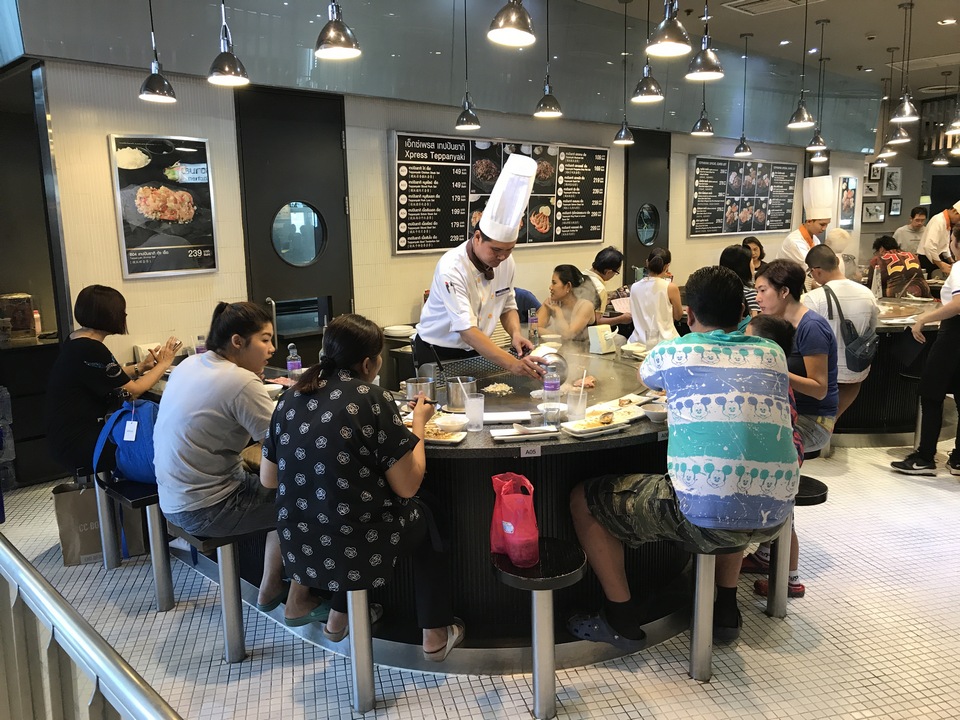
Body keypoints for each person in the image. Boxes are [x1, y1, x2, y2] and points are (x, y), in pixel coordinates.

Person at [568, 266, 799, 647]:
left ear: (689, 315)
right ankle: (725, 608)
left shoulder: (675, 351)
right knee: (736, 479)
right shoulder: (772, 352)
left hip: (705, 519)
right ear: (744, 311)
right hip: (776, 517)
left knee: (584, 500)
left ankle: (620, 618)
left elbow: (644, 378)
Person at [260, 314, 464, 660]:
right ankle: (435, 633)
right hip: (358, 542)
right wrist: (418, 422)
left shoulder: (290, 397)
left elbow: (269, 478)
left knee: (344, 509)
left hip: (299, 539)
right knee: (429, 515)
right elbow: (408, 486)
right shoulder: (372, 397)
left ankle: (339, 616)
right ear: (369, 363)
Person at [154, 302, 320, 624]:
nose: (272, 348)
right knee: (311, 500)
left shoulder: (191, 363)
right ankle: (298, 601)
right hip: (207, 507)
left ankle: (270, 587)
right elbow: (287, 447)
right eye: (265, 339)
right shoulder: (240, 381)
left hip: (173, 499)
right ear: (237, 341)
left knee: (279, 494)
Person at [415, 154, 545, 379]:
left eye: (509, 249)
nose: (502, 256)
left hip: (479, 348)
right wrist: (514, 364)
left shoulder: (506, 262)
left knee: (480, 397)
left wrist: (515, 334)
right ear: (477, 238)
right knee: (444, 401)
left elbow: (507, 305)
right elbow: (467, 331)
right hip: (438, 353)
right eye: (496, 250)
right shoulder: (452, 267)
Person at [45, 284, 179, 473]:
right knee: (161, 446)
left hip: (64, 438)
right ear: (108, 315)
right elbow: (133, 391)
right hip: (81, 442)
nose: (124, 316)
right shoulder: (91, 348)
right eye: (121, 311)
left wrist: (142, 367)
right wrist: (164, 364)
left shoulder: (76, 339)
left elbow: (106, 374)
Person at [741, 315, 805, 599]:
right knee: (785, 516)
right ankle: (769, 558)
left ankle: (790, 580)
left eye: (747, 338)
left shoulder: (759, 378)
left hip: (779, 457)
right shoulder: (776, 374)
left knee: (785, 518)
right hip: (788, 452)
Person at [891, 225, 960, 476]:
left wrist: (924, 318)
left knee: (931, 394)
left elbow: (958, 304)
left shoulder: (959, 267)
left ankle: (924, 457)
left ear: (957, 243)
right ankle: (958, 459)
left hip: (953, 337)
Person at [755, 259, 839, 455]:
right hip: (786, 410)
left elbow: (819, 389)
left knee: (751, 440)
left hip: (812, 420)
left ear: (784, 291)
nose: (757, 298)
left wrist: (775, 372)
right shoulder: (777, 324)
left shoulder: (811, 327)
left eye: (762, 290)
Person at [803, 245, 879, 423]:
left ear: (817, 271)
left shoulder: (814, 298)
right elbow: (872, 327)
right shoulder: (867, 293)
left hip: (823, 375)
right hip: (856, 371)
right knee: (832, 417)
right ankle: (830, 424)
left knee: (822, 419)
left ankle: (824, 429)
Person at [627, 248, 682, 349]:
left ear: (647, 263)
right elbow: (678, 316)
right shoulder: (671, 287)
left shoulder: (634, 287)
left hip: (637, 343)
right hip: (666, 344)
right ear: (667, 266)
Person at [776, 176, 834, 264]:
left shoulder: (815, 240)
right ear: (809, 221)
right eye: (822, 224)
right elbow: (810, 267)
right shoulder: (794, 242)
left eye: (827, 225)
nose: (824, 228)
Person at [537, 265, 596, 341]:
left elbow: (568, 335)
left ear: (568, 286)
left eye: (554, 283)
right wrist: (555, 336)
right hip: (560, 347)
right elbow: (535, 329)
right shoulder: (551, 302)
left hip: (585, 348)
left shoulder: (585, 306)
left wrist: (558, 311)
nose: (550, 287)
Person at [582, 246, 630, 326]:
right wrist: (621, 319)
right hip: (585, 331)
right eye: (616, 272)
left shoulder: (579, 276)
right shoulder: (599, 288)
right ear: (608, 272)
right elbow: (597, 321)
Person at [918, 200, 960, 278]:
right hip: (927, 259)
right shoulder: (938, 220)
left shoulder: (947, 222)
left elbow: (945, 245)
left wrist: (951, 260)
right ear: (954, 211)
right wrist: (941, 265)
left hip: (937, 258)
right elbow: (929, 246)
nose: (959, 221)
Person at [719, 244, 760, 318]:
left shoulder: (717, 289)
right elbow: (754, 320)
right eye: (752, 262)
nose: (753, 266)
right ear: (744, 267)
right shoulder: (749, 293)